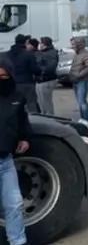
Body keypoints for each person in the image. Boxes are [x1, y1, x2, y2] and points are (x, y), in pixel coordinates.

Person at [0, 57, 31, 245]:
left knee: (15, 205)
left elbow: (23, 119)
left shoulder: (17, 96)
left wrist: (25, 137)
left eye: (4, 76)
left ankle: (18, 241)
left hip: (6, 160)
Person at [6, 34, 40, 113]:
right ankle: (33, 121)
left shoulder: (7, 54)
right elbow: (35, 69)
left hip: (11, 83)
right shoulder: (29, 54)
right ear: (25, 42)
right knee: (31, 103)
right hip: (26, 83)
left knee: (13, 104)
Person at [68, 37, 88, 126]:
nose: (72, 46)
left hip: (83, 80)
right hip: (75, 80)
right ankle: (83, 118)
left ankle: (87, 119)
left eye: (74, 44)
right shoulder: (76, 54)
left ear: (80, 45)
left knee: (82, 100)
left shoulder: (87, 54)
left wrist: (79, 75)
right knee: (79, 101)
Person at [36, 36, 59, 115]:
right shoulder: (43, 52)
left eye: (41, 43)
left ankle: (50, 116)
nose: (40, 45)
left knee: (46, 101)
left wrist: (41, 72)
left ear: (45, 44)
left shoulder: (50, 53)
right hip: (41, 79)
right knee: (41, 100)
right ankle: (45, 115)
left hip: (46, 79)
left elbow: (51, 67)